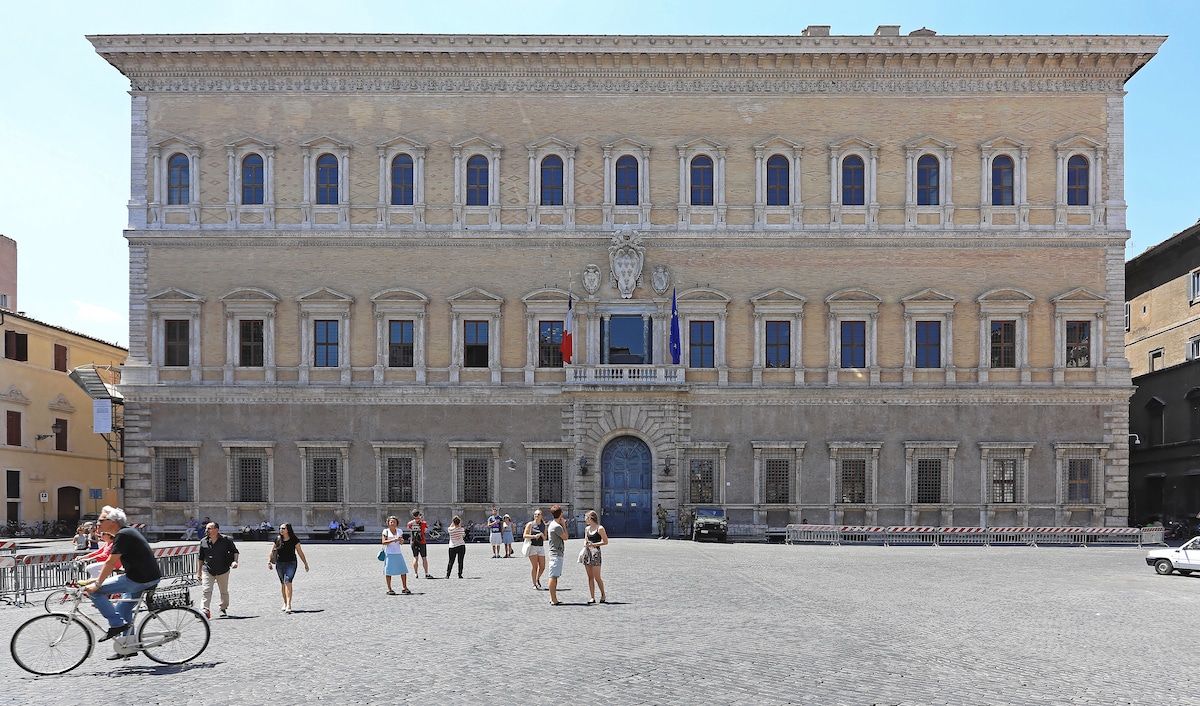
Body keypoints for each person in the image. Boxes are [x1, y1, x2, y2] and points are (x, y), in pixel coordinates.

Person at [85, 506, 161, 657]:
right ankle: (128, 646)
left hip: (140, 579)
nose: (97, 523)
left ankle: (116, 625)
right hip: (144, 577)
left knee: (96, 592)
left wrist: (98, 584)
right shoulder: (126, 533)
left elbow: (110, 563)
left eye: (100, 520)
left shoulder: (123, 535)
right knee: (123, 609)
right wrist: (98, 579)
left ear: (112, 522)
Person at [198, 521, 240, 618]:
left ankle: (223, 608)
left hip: (223, 569)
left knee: (223, 591)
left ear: (216, 530)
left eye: (209, 528)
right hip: (207, 569)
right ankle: (204, 610)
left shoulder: (226, 540)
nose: (206, 530)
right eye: (206, 528)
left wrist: (235, 561)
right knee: (206, 590)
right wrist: (199, 571)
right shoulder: (203, 541)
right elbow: (200, 558)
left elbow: (235, 551)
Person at [267, 523, 308, 613]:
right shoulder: (278, 539)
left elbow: (300, 551)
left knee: (288, 581)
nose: (281, 530)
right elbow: (272, 550)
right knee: (283, 583)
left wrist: (305, 563)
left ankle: (289, 604)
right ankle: (285, 602)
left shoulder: (294, 539)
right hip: (280, 563)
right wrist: (269, 561)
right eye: (280, 528)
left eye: (283, 528)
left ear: (288, 529)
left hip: (291, 563)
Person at [582, 509, 609, 604]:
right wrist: (586, 543)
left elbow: (605, 542)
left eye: (586, 517)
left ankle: (603, 594)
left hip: (596, 553)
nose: (585, 519)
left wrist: (593, 544)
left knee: (597, 576)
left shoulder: (600, 528)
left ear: (590, 518)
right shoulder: (587, 529)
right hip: (588, 553)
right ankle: (592, 597)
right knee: (590, 577)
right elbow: (585, 539)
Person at [382, 515, 411, 595]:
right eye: (391, 522)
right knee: (388, 571)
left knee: (403, 570)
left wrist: (401, 541)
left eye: (394, 522)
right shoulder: (386, 531)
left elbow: (401, 542)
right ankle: (389, 588)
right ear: (388, 523)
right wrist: (393, 540)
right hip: (389, 553)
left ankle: (404, 587)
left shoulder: (399, 531)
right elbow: (383, 542)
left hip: (398, 553)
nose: (392, 523)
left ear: (396, 523)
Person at [546, 504, 568, 606]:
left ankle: (553, 598)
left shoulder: (552, 524)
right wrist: (563, 525)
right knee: (553, 576)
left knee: (554, 576)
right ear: (560, 514)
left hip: (555, 553)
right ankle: (553, 599)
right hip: (556, 553)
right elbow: (565, 537)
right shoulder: (557, 526)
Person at [523, 509, 547, 590]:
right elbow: (525, 535)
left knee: (543, 566)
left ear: (541, 516)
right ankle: (534, 584)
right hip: (532, 546)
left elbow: (545, 537)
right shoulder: (530, 524)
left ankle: (537, 578)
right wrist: (534, 536)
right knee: (535, 566)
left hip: (540, 547)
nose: (536, 516)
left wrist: (542, 536)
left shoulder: (544, 525)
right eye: (535, 514)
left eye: (538, 514)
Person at [407, 509, 431, 578]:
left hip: (413, 541)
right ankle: (426, 573)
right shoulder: (423, 523)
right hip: (422, 541)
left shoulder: (410, 523)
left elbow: (410, 529)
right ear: (419, 514)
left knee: (415, 557)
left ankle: (416, 573)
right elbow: (425, 529)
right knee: (424, 558)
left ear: (413, 515)